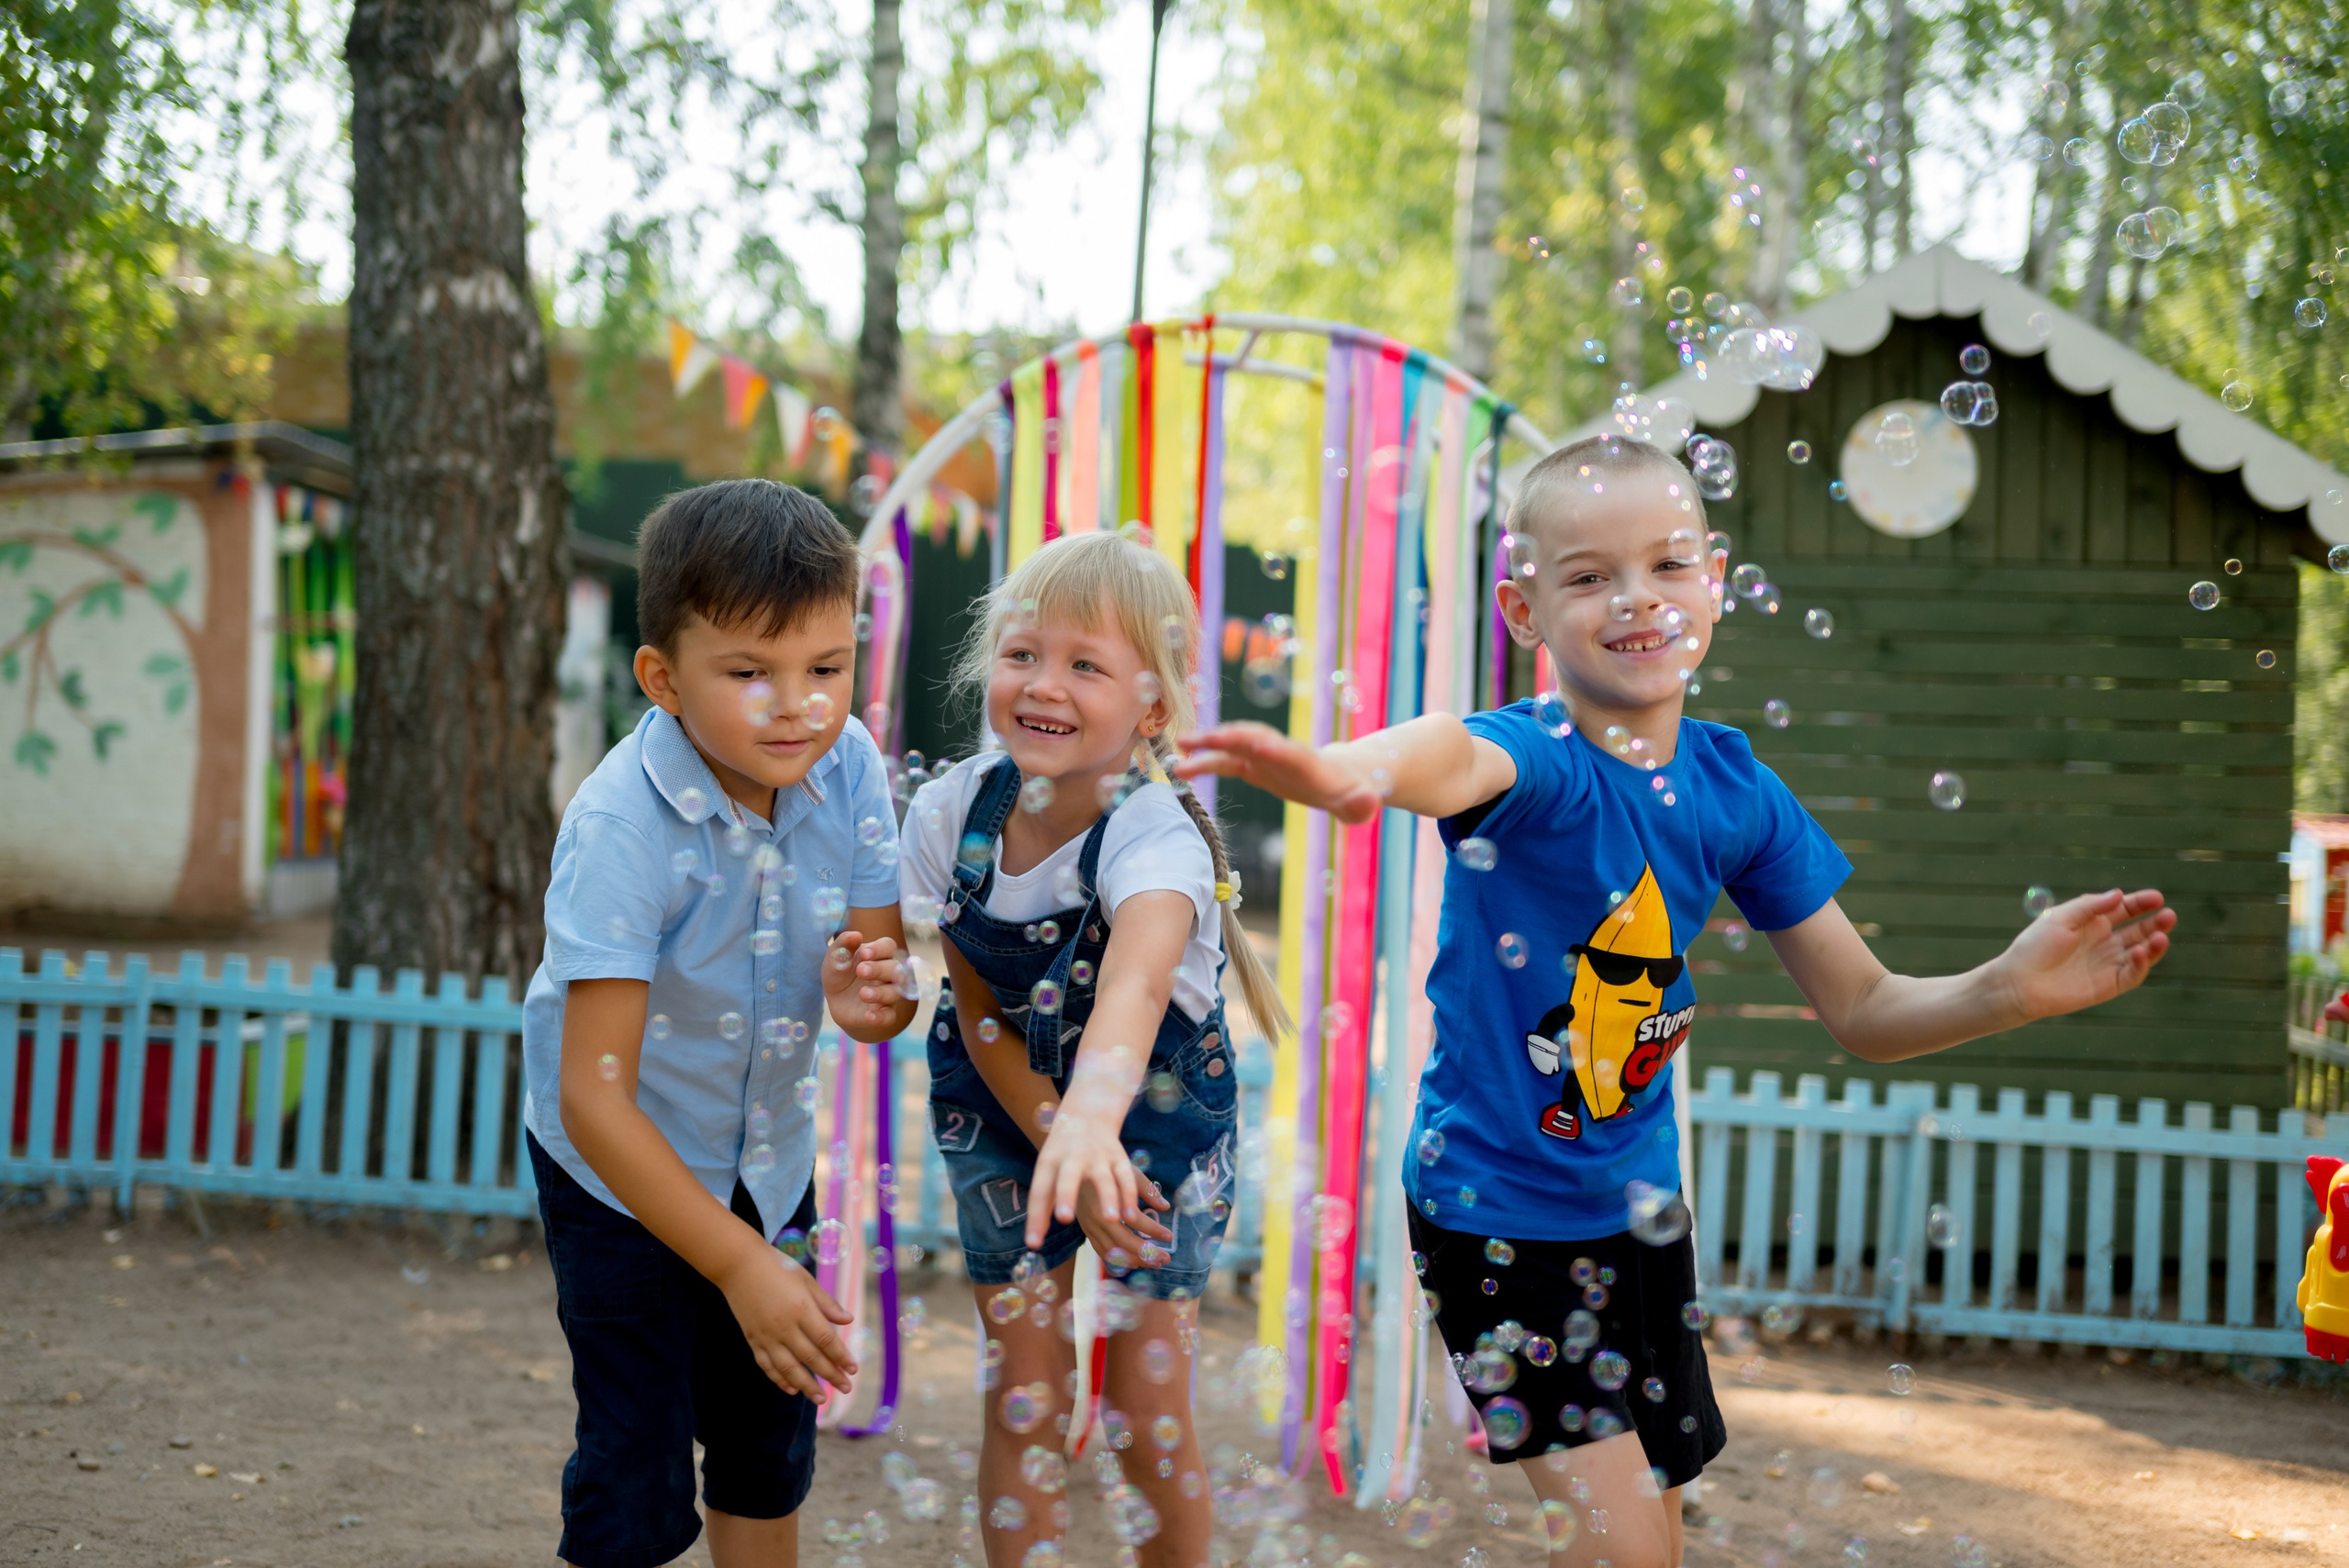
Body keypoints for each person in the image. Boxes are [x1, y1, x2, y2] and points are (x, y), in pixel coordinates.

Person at [1175, 435, 2176, 1568]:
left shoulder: (1736, 790)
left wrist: (2006, 987)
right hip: (1496, 1217)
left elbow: (1865, 1004)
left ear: (1714, 578)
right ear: (1523, 609)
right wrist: (1338, 772)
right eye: (1589, 575)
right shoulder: (1536, 759)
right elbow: (1444, 756)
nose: (1635, 599)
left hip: (1640, 1222)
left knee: (1652, 1539)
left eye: (1666, 564)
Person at [519, 479, 917, 1568]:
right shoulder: (618, 825)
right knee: (635, 1466)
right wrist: (741, 1266)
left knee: (765, 1434)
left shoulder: (852, 772)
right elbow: (592, 1094)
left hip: (767, 1153)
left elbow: (877, 981)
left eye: (826, 669)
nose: (798, 706)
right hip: (618, 1166)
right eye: (749, 672)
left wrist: (872, 1001)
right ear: (664, 678)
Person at [900, 528, 1291, 1568]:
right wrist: (1053, 1127)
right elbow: (973, 998)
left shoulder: (1154, 831)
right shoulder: (950, 811)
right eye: (1024, 653)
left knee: (1140, 1406)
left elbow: (1135, 980)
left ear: (1150, 708)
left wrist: (1093, 1127)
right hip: (999, 1106)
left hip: (1156, 1119)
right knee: (1025, 1396)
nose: (1044, 683)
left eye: (1086, 663)